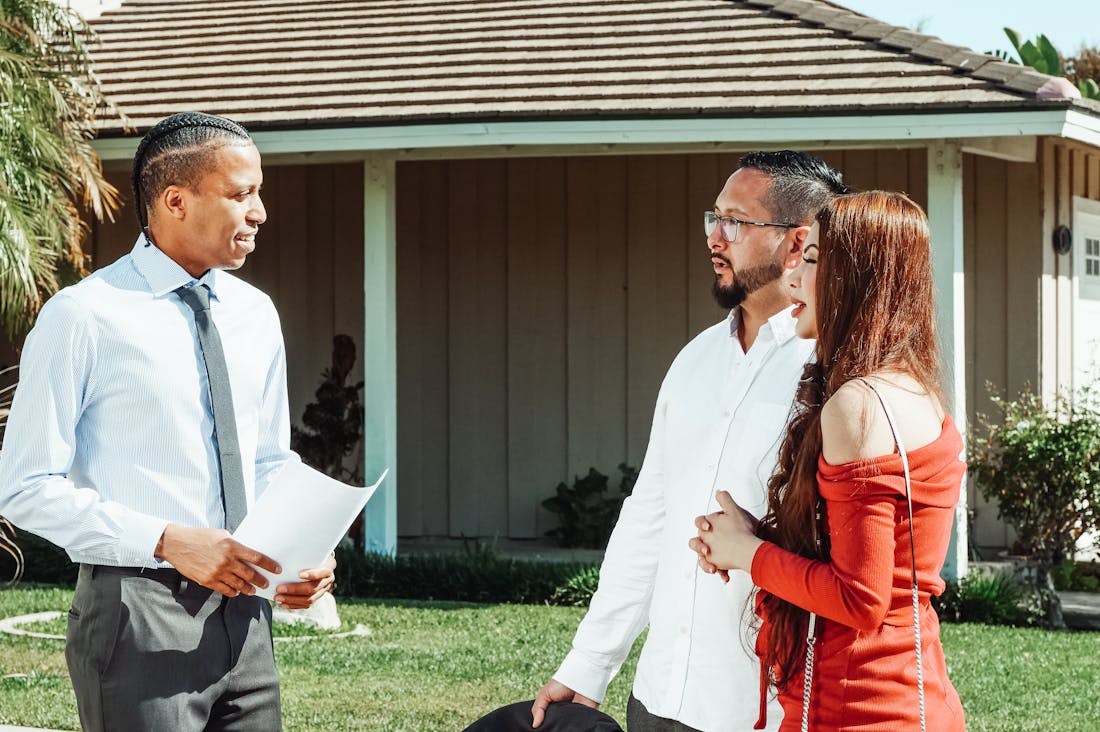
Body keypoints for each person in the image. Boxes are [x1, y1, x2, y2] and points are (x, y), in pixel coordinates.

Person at [0, 112, 335, 731]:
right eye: (241, 194)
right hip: (137, 615)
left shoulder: (256, 314)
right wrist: (167, 540)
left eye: (258, 192)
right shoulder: (84, 317)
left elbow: (266, 459)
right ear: (175, 201)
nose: (259, 212)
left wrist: (303, 554)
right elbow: (23, 487)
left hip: (248, 619)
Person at [531, 151, 847, 731]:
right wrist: (590, 664)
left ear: (797, 240)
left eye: (736, 222)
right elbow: (649, 518)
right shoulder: (694, 361)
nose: (714, 238)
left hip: (767, 711)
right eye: (713, 218)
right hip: (659, 701)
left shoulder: (839, 374)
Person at [690, 191, 967, 731]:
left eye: (813, 260)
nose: (792, 279)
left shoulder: (857, 406)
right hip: (912, 698)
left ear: (858, 279)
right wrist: (758, 537)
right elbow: (883, 571)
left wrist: (748, 554)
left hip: (855, 708)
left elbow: (860, 599)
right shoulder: (915, 391)